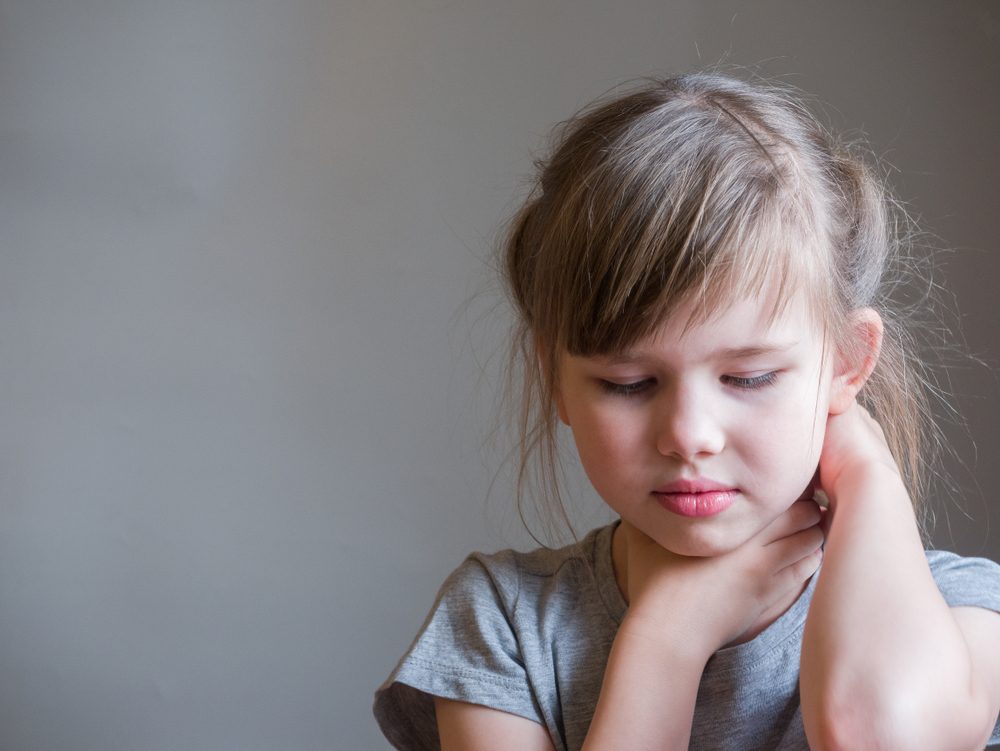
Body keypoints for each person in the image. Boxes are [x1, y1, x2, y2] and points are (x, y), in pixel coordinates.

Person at [373, 73, 1000, 750]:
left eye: (749, 376)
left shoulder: (961, 609)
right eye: (628, 382)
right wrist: (669, 637)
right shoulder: (501, 624)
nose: (688, 436)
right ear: (555, 375)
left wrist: (868, 471)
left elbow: (880, 735)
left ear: (847, 363)